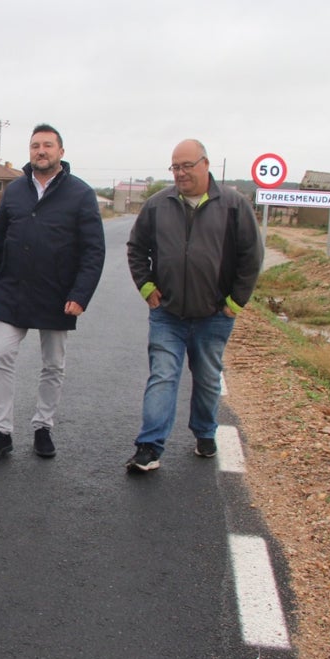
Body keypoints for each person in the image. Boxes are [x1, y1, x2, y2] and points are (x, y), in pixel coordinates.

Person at [125, 138, 263, 472]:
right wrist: (146, 286)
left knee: (205, 378)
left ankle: (204, 433)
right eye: (175, 166)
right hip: (167, 314)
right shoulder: (158, 205)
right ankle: (149, 446)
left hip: (214, 314)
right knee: (163, 375)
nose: (181, 173)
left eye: (187, 165)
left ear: (205, 164)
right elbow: (136, 248)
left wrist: (235, 302)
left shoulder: (233, 205)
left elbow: (251, 256)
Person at [0, 124, 105, 461]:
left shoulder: (80, 194)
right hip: (12, 291)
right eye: (35, 146)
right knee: (0, 355)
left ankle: (43, 426)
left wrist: (81, 294)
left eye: (48, 145)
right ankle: (0, 432)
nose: (40, 151)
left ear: (61, 151)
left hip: (58, 294)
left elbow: (94, 251)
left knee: (53, 364)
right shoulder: (15, 191)